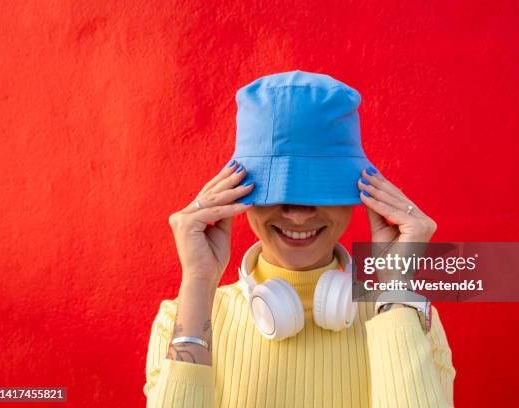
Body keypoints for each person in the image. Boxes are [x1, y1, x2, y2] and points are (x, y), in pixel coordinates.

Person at [144, 70, 456, 407]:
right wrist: (199, 280)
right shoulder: (182, 317)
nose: (297, 213)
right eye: (275, 190)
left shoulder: (408, 318)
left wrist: (395, 289)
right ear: (236, 195)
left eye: (321, 188)